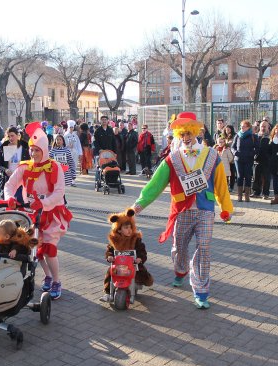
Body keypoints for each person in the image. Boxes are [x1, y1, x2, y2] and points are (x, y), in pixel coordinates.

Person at [131, 112, 233, 309]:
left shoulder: (212, 156)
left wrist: (226, 208)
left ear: (196, 132)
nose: (185, 138)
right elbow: (156, 184)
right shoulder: (173, 159)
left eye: (188, 134)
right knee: (179, 247)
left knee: (204, 248)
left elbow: (221, 185)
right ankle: (180, 271)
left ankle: (201, 290)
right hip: (182, 210)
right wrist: (139, 205)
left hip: (205, 210)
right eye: (182, 135)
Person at [3, 122, 72, 300]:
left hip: (52, 214)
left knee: (49, 248)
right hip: (31, 214)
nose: (33, 154)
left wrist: (44, 203)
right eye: (32, 150)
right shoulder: (25, 167)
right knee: (35, 248)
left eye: (37, 150)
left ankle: (56, 281)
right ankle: (48, 276)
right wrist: (10, 197)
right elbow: (9, 185)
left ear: (44, 150)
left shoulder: (54, 167)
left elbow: (59, 192)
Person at [99, 208, 153, 302]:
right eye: (126, 228)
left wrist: (140, 258)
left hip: (133, 264)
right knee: (110, 273)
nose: (129, 230)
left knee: (141, 272)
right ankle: (108, 293)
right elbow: (110, 250)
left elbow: (142, 251)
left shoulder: (135, 239)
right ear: (119, 230)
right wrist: (109, 256)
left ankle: (136, 285)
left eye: (130, 227)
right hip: (119, 265)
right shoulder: (115, 240)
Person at [0, 127, 30, 202]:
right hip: (8, 179)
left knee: (21, 202)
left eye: (12, 136)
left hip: (21, 179)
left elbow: (29, 163)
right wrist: (5, 170)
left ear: (18, 135)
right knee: (10, 202)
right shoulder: (4, 148)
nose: (10, 138)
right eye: (9, 136)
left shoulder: (25, 147)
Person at [231, 120, 258, 202]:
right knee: (239, 176)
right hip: (238, 159)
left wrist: (251, 154)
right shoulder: (237, 135)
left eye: (244, 126)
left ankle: (247, 196)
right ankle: (239, 196)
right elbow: (233, 147)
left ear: (248, 127)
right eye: (241, 126)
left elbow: (257, 148)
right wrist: (235, 152)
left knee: (248, 176)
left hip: (248, 159)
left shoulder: (253, 136)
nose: (242, 128)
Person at [251, 120, 271, 199]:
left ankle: (266, 194)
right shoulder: (256, 136)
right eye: (262, 126)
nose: (263, 128)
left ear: (268, 127)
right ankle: (256, 192)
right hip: (257, 160)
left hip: (267, 160)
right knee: (256, 177)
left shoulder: (270, 137)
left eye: (264, 126)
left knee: (266, 178)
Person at [63, 120, 81, 186]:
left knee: (74, 166)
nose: (71, 129)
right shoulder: (65, 135)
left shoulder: (75, 135)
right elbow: (63, 144)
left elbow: (78, 144)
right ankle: (68, 179)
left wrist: (80, 153)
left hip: (75, 153)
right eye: (70, 127)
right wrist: (67, 146)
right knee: (68, 166)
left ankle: (73, 180)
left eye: (72, 127)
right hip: (67, 153)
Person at [223, 125, 237, 192]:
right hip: (225, 158)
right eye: (226, 130)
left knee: (232, 172)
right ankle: (225, 186)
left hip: (232, 156)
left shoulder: (234, 136)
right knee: (225, 173)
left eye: (228, 129)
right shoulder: (224, 137)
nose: (227, 131)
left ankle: (231, 186)